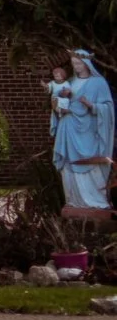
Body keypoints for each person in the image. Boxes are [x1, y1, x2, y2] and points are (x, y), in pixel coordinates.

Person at [53, 49, 114, 216]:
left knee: (91, 163)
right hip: (68, 127)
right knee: (69, 165)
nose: (76, 67)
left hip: (88, 131)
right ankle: (74, 200)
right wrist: (60, 103)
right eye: (74, 64)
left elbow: (108, 108)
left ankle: (95, 200)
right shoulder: (70, 83)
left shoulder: (98, 83)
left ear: (87, 64)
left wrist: (91, 105)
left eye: (79, 63)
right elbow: (58, 103)